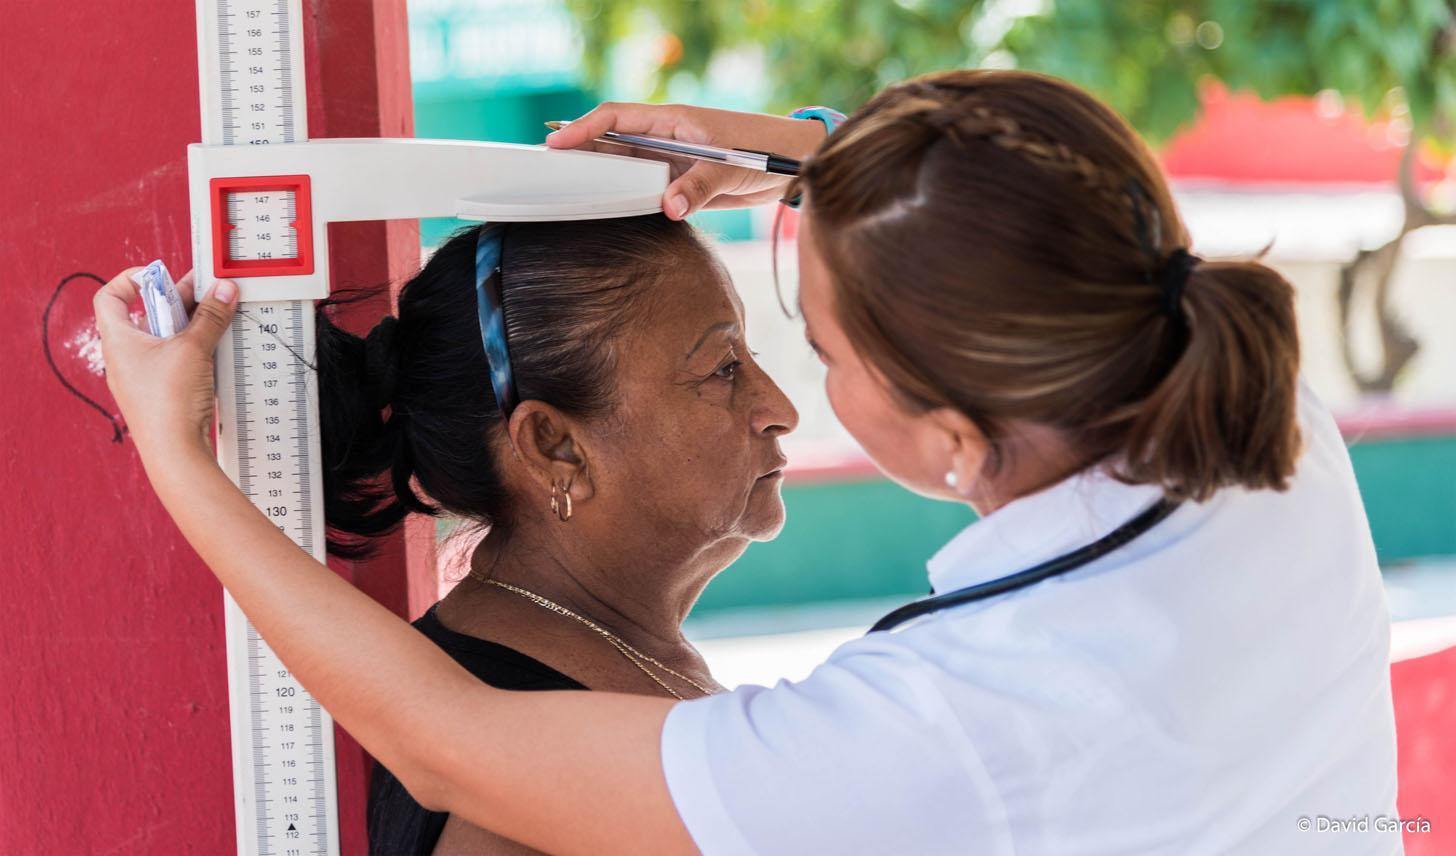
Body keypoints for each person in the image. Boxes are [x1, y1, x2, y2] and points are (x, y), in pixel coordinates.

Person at [95, 69, 1399, 854]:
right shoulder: (1274, 432)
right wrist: (805, 159)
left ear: (953, 434)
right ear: (549, 447)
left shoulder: (951, 726)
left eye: (815, 343)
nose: (786, 399)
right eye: (729, 363)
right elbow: (1060, 229)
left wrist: (179, 457)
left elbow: (453, 744)